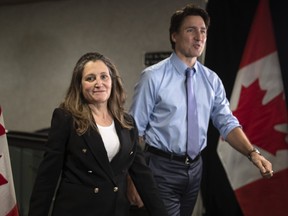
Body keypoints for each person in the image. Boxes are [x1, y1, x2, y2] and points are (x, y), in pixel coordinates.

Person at [128, 3, 274, 216]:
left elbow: (227, 122)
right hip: (160, 169)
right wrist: (132, 179)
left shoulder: (211, 80)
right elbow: (134, 131)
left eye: (203, 31)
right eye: (191, 30)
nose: (199, 36)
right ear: (174, 36)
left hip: (195, 170)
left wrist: (253, 154)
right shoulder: (153, 77)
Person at [28, 52, 168, 216]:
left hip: (116, 210)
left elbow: (143, 177)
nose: (99, 83)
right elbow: (47, 177)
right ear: (79, 85)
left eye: (104, 77)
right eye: (90, 78)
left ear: (112, 82)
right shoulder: (65, 118)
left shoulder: (127, 122)